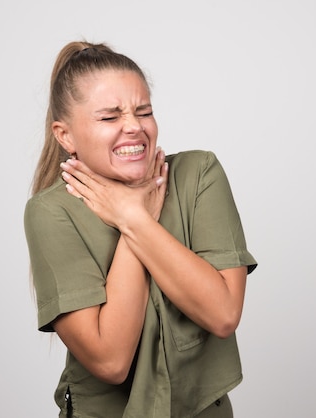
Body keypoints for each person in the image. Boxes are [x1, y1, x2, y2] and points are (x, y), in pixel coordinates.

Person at [24, 41, 257, 418]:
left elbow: (223, 313)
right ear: (65, 136)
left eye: (143, 111)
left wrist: (133, 219)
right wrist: (134, 212)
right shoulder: (51, 212)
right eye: (109, 117)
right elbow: (111, 361)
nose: (133, 126)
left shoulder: (199, 176)